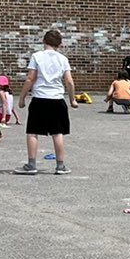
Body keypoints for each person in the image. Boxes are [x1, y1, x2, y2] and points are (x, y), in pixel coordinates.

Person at [14, 29, 78, 175]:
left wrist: (22, 97)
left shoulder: (36, 56)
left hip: (40, 99)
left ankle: (31, 164)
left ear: (44, 41)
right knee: (58, 132)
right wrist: (72, 99)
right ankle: (60, 166)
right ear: (60, 44)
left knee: (32, 132)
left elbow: (30, 78)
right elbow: (69, 82)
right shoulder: (63, 59)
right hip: (57, 99)